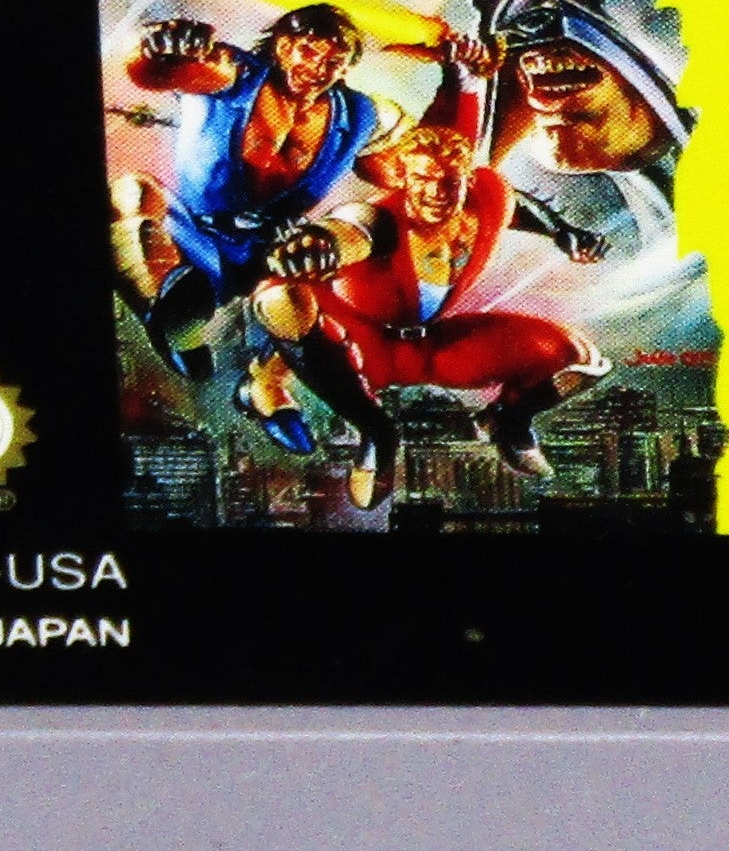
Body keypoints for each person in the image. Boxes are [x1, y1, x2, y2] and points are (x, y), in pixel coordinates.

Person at [245, 39, 601, 507]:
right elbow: (350, 230)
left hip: (430, 347)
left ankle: (507, 421)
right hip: (359, 346)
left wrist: (562, 231)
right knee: (278, 297)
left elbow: (515, 205)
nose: (436, 193)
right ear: (404, 179)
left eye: (449, 182)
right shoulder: (378, 218)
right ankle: (370, 428)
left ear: (467, 181)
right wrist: (318, 244)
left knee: (579, 359)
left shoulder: (487, 195)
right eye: (423, 181)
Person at [107, 1, 379, 377]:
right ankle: (172, 324)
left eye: (333, 61)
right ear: (283, 46)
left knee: (351, 244)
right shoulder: (234, 72)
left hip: (274, 255)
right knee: (132, 193)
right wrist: (157, 44)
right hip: (195, 237)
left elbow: (411, 160)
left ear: (347, 67)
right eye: (308, 51)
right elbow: (154, 71)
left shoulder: (358, 114)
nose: (318, 69)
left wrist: (456, 79)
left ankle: (282, 388)